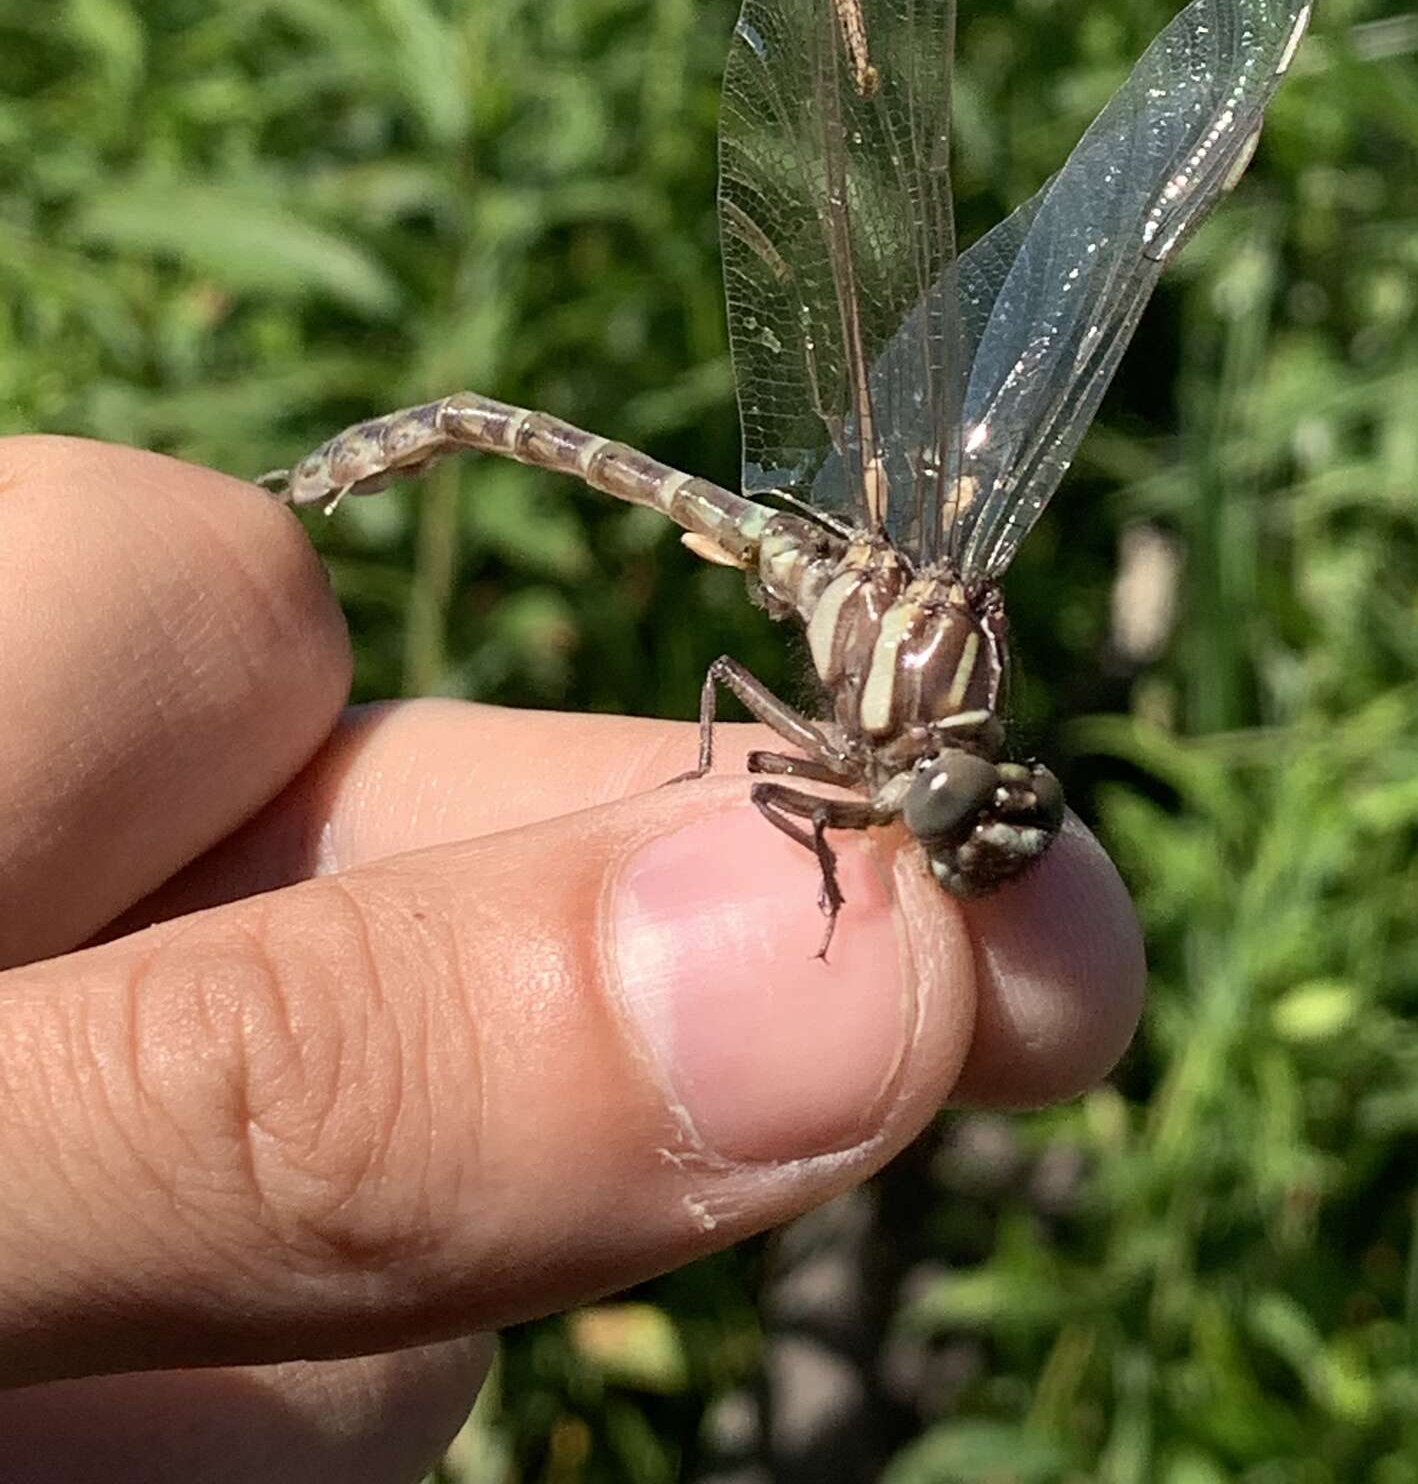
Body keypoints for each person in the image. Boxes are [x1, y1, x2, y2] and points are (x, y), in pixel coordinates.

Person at [0, 437, 1145, 1483]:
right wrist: (812, 900)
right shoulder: (887, 738)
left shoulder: (935, 727)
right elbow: (746, 739)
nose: (984, 817)